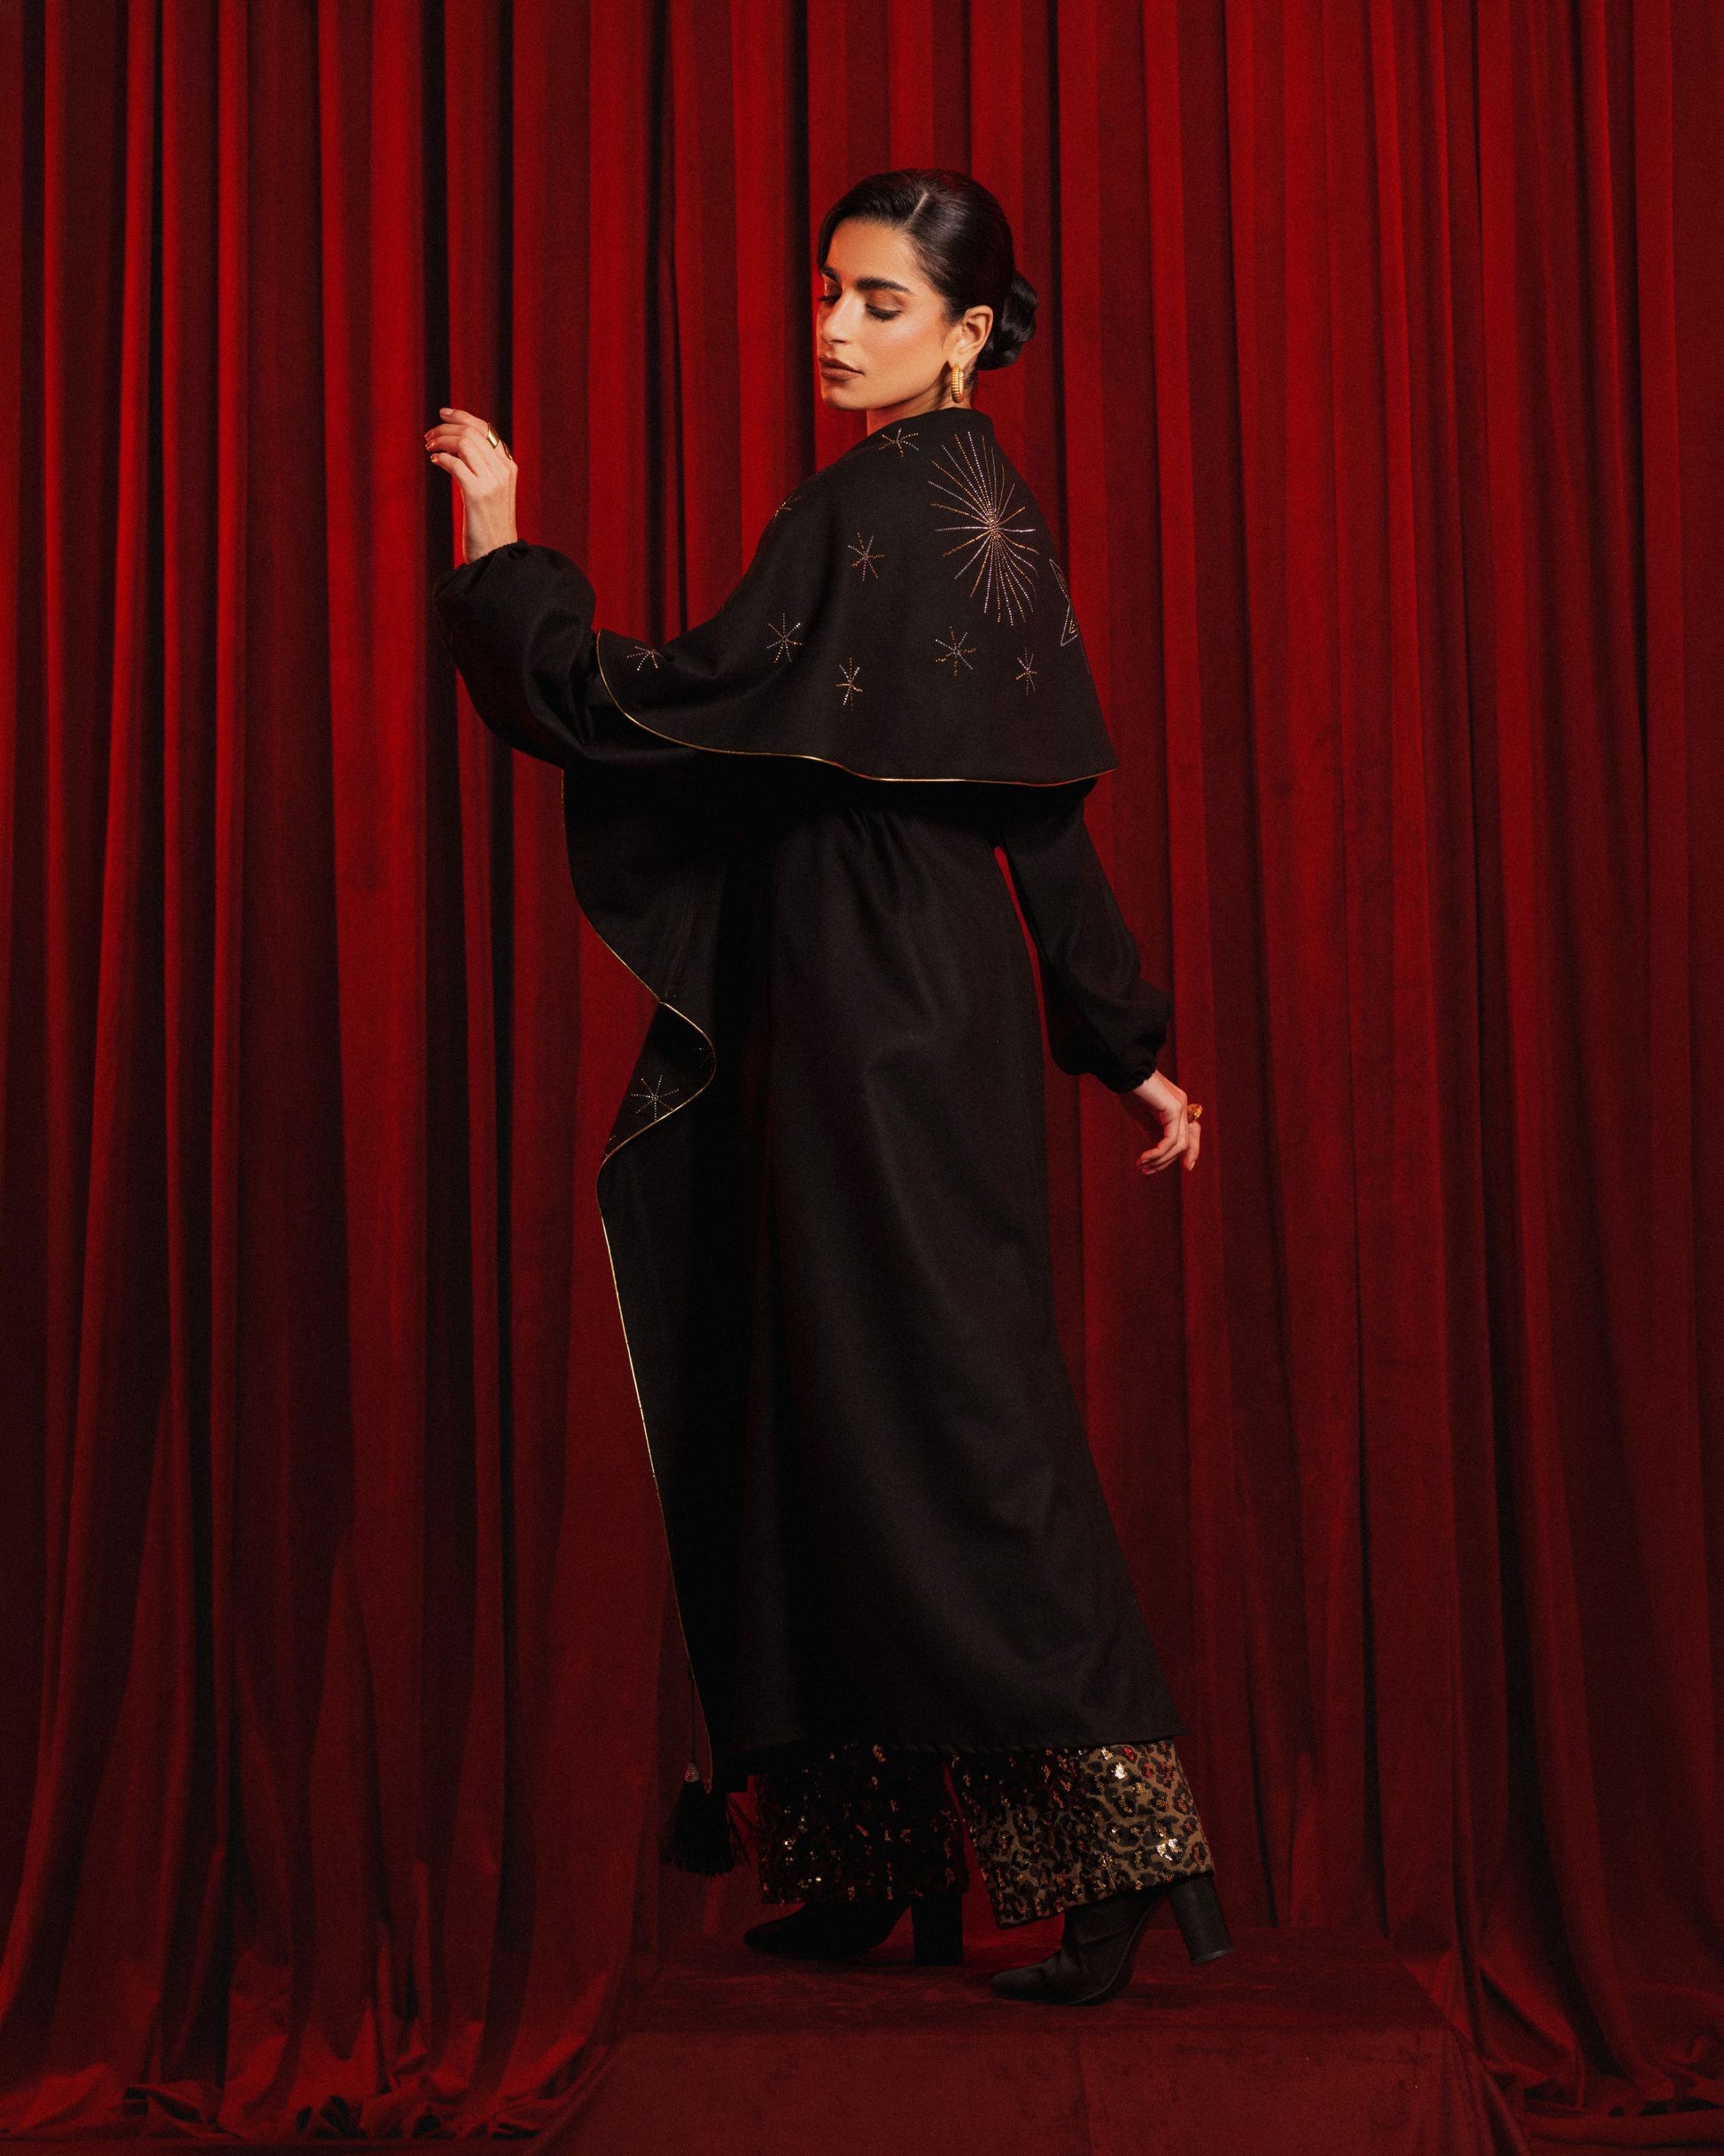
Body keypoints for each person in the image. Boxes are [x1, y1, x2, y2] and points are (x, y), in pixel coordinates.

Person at [426, 167, 1233, 2005]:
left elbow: (659, 703)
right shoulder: (977, 504)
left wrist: (504, 556)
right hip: (884, 994)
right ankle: (873, 1850)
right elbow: (1038, 811)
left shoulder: (879, 500)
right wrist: (1125, 1042)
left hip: (872, 1008)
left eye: (880, 302)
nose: (836, 327)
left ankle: (1111, 1849)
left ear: (968, 334)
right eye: (827, 292)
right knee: (833, 1394)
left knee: (937, 1406)